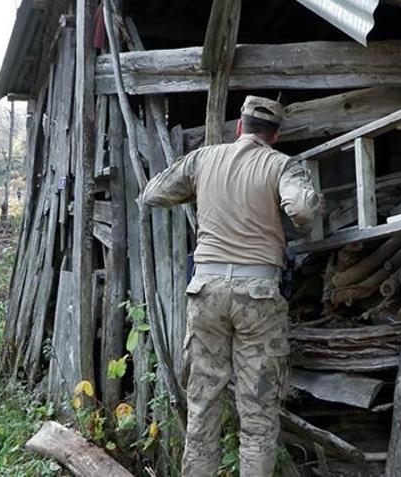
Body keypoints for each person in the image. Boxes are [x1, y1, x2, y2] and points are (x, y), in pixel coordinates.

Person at [141, 95, 321, 476]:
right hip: (257, 294)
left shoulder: (203, 159)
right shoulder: (279, 164)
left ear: (239, 127)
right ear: (274, 135)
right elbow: (303, 213)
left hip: (205, 291)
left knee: (203, 405)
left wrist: (199, 191)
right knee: (257, 416)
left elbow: (153, 193)